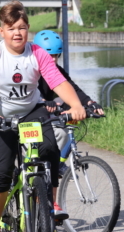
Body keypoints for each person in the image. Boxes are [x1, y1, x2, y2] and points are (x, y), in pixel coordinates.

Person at [0, 0, 86, 232]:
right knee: (1, 172)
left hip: (31, 113)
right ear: (2, 31)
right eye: (11, 28)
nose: (17, 33)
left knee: (50, 150)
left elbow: (57, 82)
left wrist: (76, 104)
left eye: (22, 27)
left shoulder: (37, 53)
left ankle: (49, 205)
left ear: (28, 29)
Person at [33, 29, 104, 174]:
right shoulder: (29, 70)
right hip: (27, 114)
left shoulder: (56, 70)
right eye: (49, 55)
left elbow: (73, 89)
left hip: (44, 113)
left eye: (56, 55)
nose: (53, 59)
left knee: (62, 131)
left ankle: (55, 165)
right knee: (55, 135)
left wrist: (90, 103)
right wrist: (43, 101)